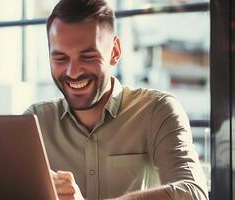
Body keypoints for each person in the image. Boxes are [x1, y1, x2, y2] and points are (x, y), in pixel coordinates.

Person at [24, 0, 208, 199]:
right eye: (60, 58)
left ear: (115, 51)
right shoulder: (34, 122)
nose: (73, 72)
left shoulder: (158, 111)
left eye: (87, 57)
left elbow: (194, 193)